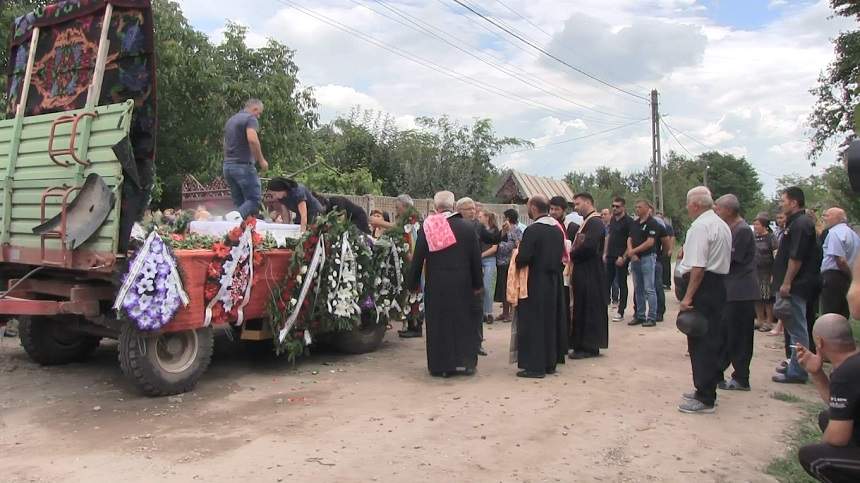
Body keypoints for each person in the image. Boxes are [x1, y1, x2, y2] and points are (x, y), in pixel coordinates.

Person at [408, 191, 482, 378]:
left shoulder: (429, 226)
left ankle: (441, 365)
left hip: (437, 284)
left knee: (439, 324)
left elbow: (418, 258)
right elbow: (475, 259)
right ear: (454, 205)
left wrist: (413, 283)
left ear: (436, 207)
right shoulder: (467, 227)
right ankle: (467, 363)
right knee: (464, 322)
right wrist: (477, 284)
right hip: (463, 284)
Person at [677, 186, 732, 414]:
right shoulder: (720, 223)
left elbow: (698, 267)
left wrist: (688, 297)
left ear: (696, 205)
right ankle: (706, 386)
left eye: (688, 204)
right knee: (711, 337)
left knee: (700, 341)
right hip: (717, 284)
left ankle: (705, 396)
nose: (687, 208)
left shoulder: (701, 226)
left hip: (704, 286)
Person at [796, 314, 860, 483]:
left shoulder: (846, 373)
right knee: (827, 417)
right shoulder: (854, 363)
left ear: (820, 342)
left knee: (815, 457)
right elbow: (840, 407)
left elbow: (837, 438)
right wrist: (816, 373)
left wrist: (823, 448)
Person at [515, 195, 567, 378]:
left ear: (534, 208)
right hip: (553, 281)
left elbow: (524, 258)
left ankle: (535, 366)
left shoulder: (533, 230)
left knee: (534, 322)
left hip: (535, 281)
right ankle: (549, 363)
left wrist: (517, 253)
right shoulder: (557, 229)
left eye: (528, 207)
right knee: (549, 321)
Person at [772, 186, 820, 384]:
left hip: (796, 285)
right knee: (793, 329)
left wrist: (787, 282)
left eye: (783, 200)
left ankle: (799, 371)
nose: (781, 203)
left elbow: (796, 257)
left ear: (793, 202)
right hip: (794, 284)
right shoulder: (796, 223)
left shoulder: (801, 224)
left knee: (798, 329)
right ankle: (794, 365)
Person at [714, 194, 759, 391]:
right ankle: (718, 371)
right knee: (726, 332)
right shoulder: (731, 228)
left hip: (741, 291)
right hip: (731, 289)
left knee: (740, 335)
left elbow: (730, 258)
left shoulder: (741, 230)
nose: (716, 211)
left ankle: (741, 377)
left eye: (719, 208)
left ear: (729, 210)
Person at [457, 197, 501, 356]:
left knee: (477, 308)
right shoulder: (453, 225)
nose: (473, 211)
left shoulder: (477, 225)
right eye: (469, 209)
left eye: (474, 208)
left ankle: (477, 344)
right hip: (459, 273)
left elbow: (492, 239)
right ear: (459, 210)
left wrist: (503, 232)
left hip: (475, 272)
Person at [569, 193, 609, 359]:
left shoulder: (595, 222)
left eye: (578, 204)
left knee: (590, 307)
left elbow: (589, 246)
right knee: (582, 306)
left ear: (588, 202)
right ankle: (581, 343)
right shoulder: (587, 222)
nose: (575, 207)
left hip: (590, 272)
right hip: (584, 270)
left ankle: (589, 346)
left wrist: (573, 253)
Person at [222, 99, 268, 219]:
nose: (258, 116)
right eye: (259, 113)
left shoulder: (231, 120)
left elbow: (225, 143)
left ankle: (241, 231)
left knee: (241, 204)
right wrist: (261, 160)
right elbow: (252, 139)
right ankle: (229, 219)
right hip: (243, 166)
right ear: (255, 109)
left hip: (228, 166)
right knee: (253, 200)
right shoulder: (250, 119)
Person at [626, 200, 662, 327]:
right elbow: (629, 238)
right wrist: (631, 252)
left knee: (649, 288)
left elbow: (650, 242)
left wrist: (634, 251)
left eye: (640, 207)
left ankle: (651, 317)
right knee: (638, 288)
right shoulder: (635, 223)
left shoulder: (653, 223)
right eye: (636, 207)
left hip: (647, 257)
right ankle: (640, 315)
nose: (637, 209)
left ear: (647, 208)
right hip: (635, 258)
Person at [820, 208, 859, 318]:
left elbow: (840, 260)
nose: (824, 219)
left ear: (838, 218)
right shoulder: (852, 234)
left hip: (834, 276)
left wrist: (849, 274)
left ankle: (829, 334)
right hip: (846, 277)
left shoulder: (834, 233)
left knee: (830, 313)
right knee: (843, 313)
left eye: (827, 216)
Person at [605, 197, 636, 322]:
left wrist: (624, 257)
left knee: (622, 283)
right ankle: (603, 307)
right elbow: (609, 236)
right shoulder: (612, 219)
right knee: (606, 282)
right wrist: (605, 253)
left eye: (617, 206)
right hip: (610, 255)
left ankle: (620, 311)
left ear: (623, 207)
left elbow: (631, 240)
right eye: (613, 206)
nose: (614, 208)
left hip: (621, 257)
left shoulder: (629, 221)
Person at [495, 209, 523, 323]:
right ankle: (504, 312)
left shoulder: (516, 230)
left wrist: (499, 245)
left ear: (508, 218)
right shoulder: (503, 230)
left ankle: (511, 313)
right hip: (501, 262)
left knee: (510, 287)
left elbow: (517, 244)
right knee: (503, 288)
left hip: (510, 262)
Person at [753, 213, 779, 333]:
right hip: (755, 271)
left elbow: (776, 255)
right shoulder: (753, 237)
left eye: (757, 224)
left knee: (767, 298)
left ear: (764, 225)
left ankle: (769, 321)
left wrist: (775, 273)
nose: (755, 226)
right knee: (757, 297)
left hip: (767, 272)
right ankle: (760, 320)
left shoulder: (771, 238)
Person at [478, 211, 501, 325]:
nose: (479, 218)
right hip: (478, 260)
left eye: (480, 216)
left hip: (489, 260)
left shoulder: (494, 231)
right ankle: (481, 312)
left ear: (487, 217)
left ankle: (488, 312)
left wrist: (480, 255)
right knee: (479, 288)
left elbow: (494, 248)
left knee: (488, 287)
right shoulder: (478, 229)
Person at [652, 210, 672, 322]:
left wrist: (662, 255)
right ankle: (640, 313)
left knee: (657, 285)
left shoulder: (658, 223)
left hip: (656, 258)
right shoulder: (638, 223)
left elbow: (666, 241)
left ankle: (659, 312)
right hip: (641, 259)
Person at [656, 212, 675, 291]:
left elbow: (672, 238)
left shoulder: (668, 227)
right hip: (658, 251)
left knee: (666, 266)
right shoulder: (654, 227)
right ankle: (659, 283)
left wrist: (670, 249)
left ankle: (667, 284)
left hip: (666, 250)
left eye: (660, 217)